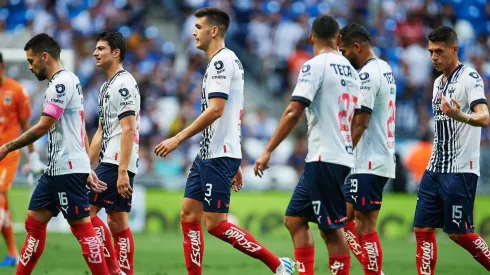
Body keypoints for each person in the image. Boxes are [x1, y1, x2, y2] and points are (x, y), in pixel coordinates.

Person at [154, 7, 295, 275]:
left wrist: (178, 138)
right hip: (211, 153)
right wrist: (237, 157)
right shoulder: (222, 61)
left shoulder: (221, 62)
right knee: (188, 214)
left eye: (198, 27)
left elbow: (217, 109)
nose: (193, 31)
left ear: (214, 30)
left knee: (216, 224)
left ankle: (278, 264)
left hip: (218, 154)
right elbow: (232, 116)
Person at [254, 15, 359, 275]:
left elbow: (293, 110)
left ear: (311, 38)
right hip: (333, 155)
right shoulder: (351, 71)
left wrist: (268, 150)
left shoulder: (315, 66)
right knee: (295, 220)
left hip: (326, 157)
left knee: (332, 230)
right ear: (339, 39)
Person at [0, 33, 109, 275]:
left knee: (81, 226)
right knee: (34, 220)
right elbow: (77, 129)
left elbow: (44, 125)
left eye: (31, 61)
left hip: (66, 166)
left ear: (45, 56)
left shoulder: (61, 83)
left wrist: (8, 147)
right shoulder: (65, 81)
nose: (30, 67)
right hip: (59, 167)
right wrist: (86, 165)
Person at [413, 26, 490, 274]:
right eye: (430, 51)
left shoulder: (470, 77)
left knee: (459, 233)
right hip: (435, 168)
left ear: (454, 49)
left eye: (439, 51)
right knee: (422, 229)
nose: (434, 57)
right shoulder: (438, 83)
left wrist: (460, 115)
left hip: (460, 170)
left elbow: (485, 117)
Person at [338, 23, 396, 275]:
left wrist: (342, 153)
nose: (342, 57)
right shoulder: (384, 68)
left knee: (366, 224)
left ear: (356, 47)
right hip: (373, 157)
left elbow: (361, 122)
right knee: (342, 219)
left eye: (344, 51)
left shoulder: (367, 75)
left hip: (369, 159)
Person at [88, 31, 140, 275]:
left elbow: (128, 130)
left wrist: (122, 172)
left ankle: (113, 270)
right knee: (117, 222)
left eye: (101, 49)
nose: (95, 53)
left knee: (82, 213)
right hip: (112, 162)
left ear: (116, 52)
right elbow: (101, 130)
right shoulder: (106, 87)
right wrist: (85, 166)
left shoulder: (124, 84)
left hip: (116, 163)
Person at [0, 52, 45, 267]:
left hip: (8, 153)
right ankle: (12, 252)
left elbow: (27, 127)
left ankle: (12, 252)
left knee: (0, 193)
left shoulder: (17, 91)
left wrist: (33, 156)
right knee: (3, 204)